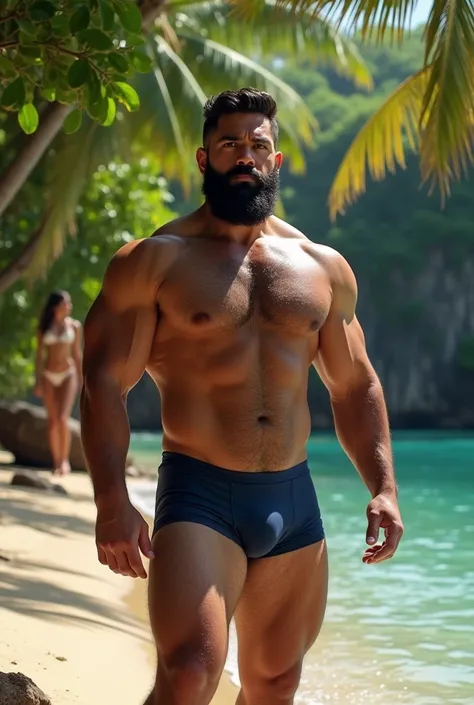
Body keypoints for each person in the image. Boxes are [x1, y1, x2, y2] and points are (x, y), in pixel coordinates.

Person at [80, 88, 404, 705]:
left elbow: (354, 383)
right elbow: (102, 383)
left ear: (275, 161)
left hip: (293, 497)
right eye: (230, 144)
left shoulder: (322, 268)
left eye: (258, 145)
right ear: (204, 160)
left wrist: (383, 487)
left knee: (276, 684)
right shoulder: (154, 262)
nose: (245, 156)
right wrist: (110, 500)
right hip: (201, 491)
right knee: (190, 674)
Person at [35, 290, 82, 476]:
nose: (69, 306)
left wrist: (82, 378)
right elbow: (39, 357)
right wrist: (38, 381)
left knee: (63, 418)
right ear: (56, 306)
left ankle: (65, 461)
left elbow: (77, 355)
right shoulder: (44, 327)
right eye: (66, 303)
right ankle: (56, 462)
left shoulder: (75, 326)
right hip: (48, 376)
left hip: (68, 374)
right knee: (53, 421)